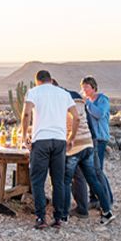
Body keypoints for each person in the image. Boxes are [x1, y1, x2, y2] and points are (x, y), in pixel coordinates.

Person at [20, 69, 79, 229]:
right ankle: (58, 217)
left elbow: (26, 115)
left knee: (38, 181)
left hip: (41, 140)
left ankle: (41, 218)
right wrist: (71, 138)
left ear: (37, 80)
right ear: (51, 80)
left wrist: (25, 135)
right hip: (59, 140)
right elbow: (77, 116)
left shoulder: (34, 92)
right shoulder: (63, 94)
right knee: (58, 181)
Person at [78, 76, 115, 224]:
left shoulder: (102, 100)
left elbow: (99, 114)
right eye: (83, 87)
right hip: (90, 139)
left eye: (86, 87)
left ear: (93, 87)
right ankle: (94, 198)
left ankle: (108, 199)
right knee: (92, 169)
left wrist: (87, 103)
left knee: (98, 170)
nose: (84, 90)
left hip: (100, 138)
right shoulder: (88, 102)